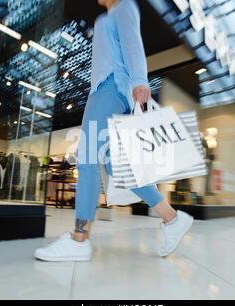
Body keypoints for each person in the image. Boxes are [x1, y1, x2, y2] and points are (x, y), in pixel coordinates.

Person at [34, 0, 194, 261]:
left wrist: (140, 79)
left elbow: (133, 44)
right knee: (115, 167)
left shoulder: (123, 6)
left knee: (86, 159)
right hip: (110, 90)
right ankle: (173, 218)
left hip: (109, 89)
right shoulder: (107, 16)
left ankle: (79, 239)